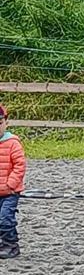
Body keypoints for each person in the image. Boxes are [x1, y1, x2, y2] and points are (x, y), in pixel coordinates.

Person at [0, 104, 26, 260]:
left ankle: (11, 245)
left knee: (5, 219)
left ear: (6, 123)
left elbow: (19, 165)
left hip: (9, 192)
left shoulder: (13, 143)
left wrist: (10, 184)